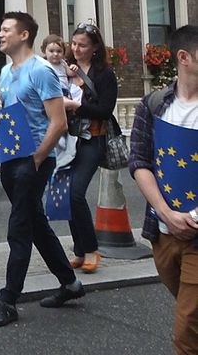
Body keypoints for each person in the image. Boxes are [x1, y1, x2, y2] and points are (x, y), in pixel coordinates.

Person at [0, 12, 84, 327]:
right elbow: (17, 114)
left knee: (19, 227)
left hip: (34, 160)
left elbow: (59, 122)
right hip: (12, 157)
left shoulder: (42, 71)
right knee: (35, 223)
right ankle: (70, 284)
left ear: (24, 35)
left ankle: (8, 300)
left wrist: (37, 159)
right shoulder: (7, 72)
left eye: (5, 29)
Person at [130, 24, 198, 355]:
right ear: (184, 57)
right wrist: (167, 214)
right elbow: (139, 163)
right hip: (163, 232)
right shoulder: (154, 104)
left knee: (186, 332)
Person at [62, 22, 118, 273]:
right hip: (67, 139)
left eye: (82, 45)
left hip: (92, 139)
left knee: (76, 192)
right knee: (66, 195)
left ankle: (91, 249)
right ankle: (80, 249)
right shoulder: (63, 69)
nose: (76, 49)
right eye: (74, 44)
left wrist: (75, 106)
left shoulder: (104, 74)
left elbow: (105, 110)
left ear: (95, 47)